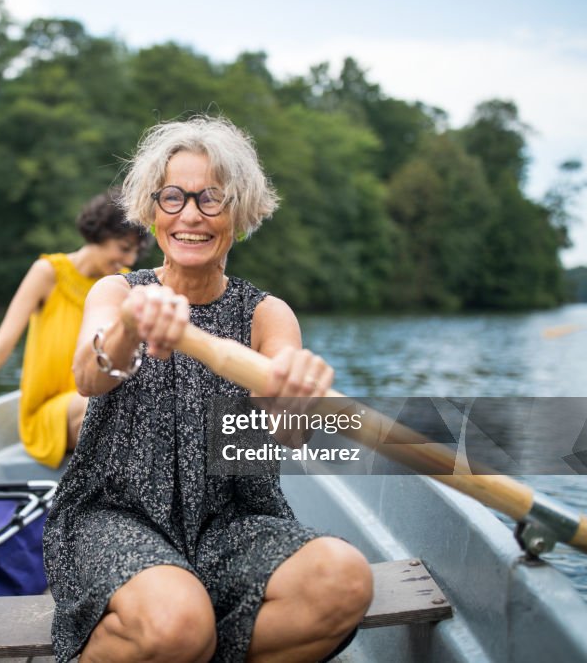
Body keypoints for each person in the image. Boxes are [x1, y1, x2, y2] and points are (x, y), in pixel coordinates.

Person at [43, 116, 374, 663]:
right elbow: (88, 374)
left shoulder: (268, 314)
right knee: (177, 623)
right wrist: (131, 325)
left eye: (211, 199)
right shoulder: (117, 290)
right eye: (172, 198)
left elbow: (289, 435)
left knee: (345, 580)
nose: (190, 215)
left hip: (230, 523)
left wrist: (295, 399)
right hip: (115, 515)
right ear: (151, 213)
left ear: (240, 214)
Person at [0, 189, 150, 468]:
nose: (129, 260)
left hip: (98, 397)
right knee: (99, 407)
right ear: (100, 233)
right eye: (123, 247)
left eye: (135, 252)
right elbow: (1, 345)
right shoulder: (48, 272)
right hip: (49, 412)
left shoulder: (123, 284)